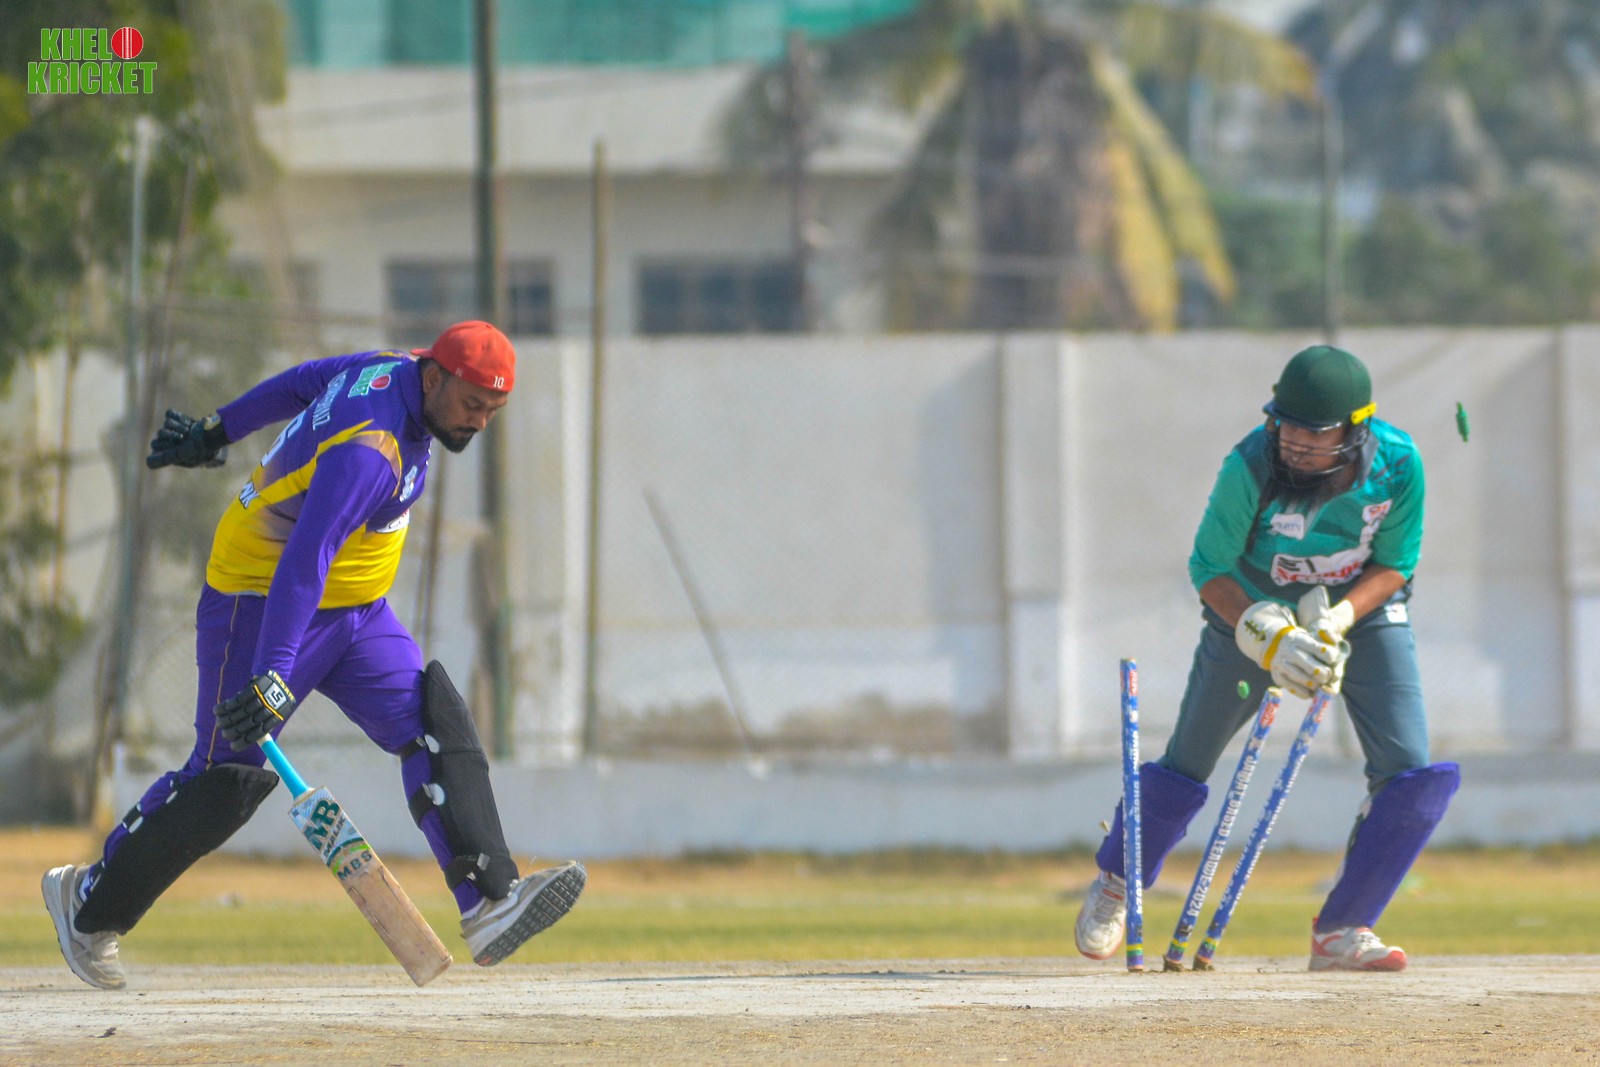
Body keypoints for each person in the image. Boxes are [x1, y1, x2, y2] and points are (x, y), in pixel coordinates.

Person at [43, 321, 586, 990]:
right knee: (222, 779)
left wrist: (217, 429)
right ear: (434, 378)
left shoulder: (388, 368)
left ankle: (490, 902)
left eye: (492, 410)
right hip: (258, 598)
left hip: (356, 610)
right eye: (473, 404)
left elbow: (301, 383)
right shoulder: (371, 451)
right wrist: (273, 673)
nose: (479, 422)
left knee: (432, 720)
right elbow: (305, 556)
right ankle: (88, 904)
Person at [1074, 344, 1458, 972]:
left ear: (1355, 429)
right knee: (1189, 761)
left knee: (1412, 776)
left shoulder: (1398, 462)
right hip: (1252, 609)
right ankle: (1118, 883)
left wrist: (1338, 619)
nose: (1295, 442)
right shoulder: (1250, 464)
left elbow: (1396, 564)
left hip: (1358, 611)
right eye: (1286, 425)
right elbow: (1209, 568)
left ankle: (1343, 930)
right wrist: (1268, 635)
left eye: (1315, 431)